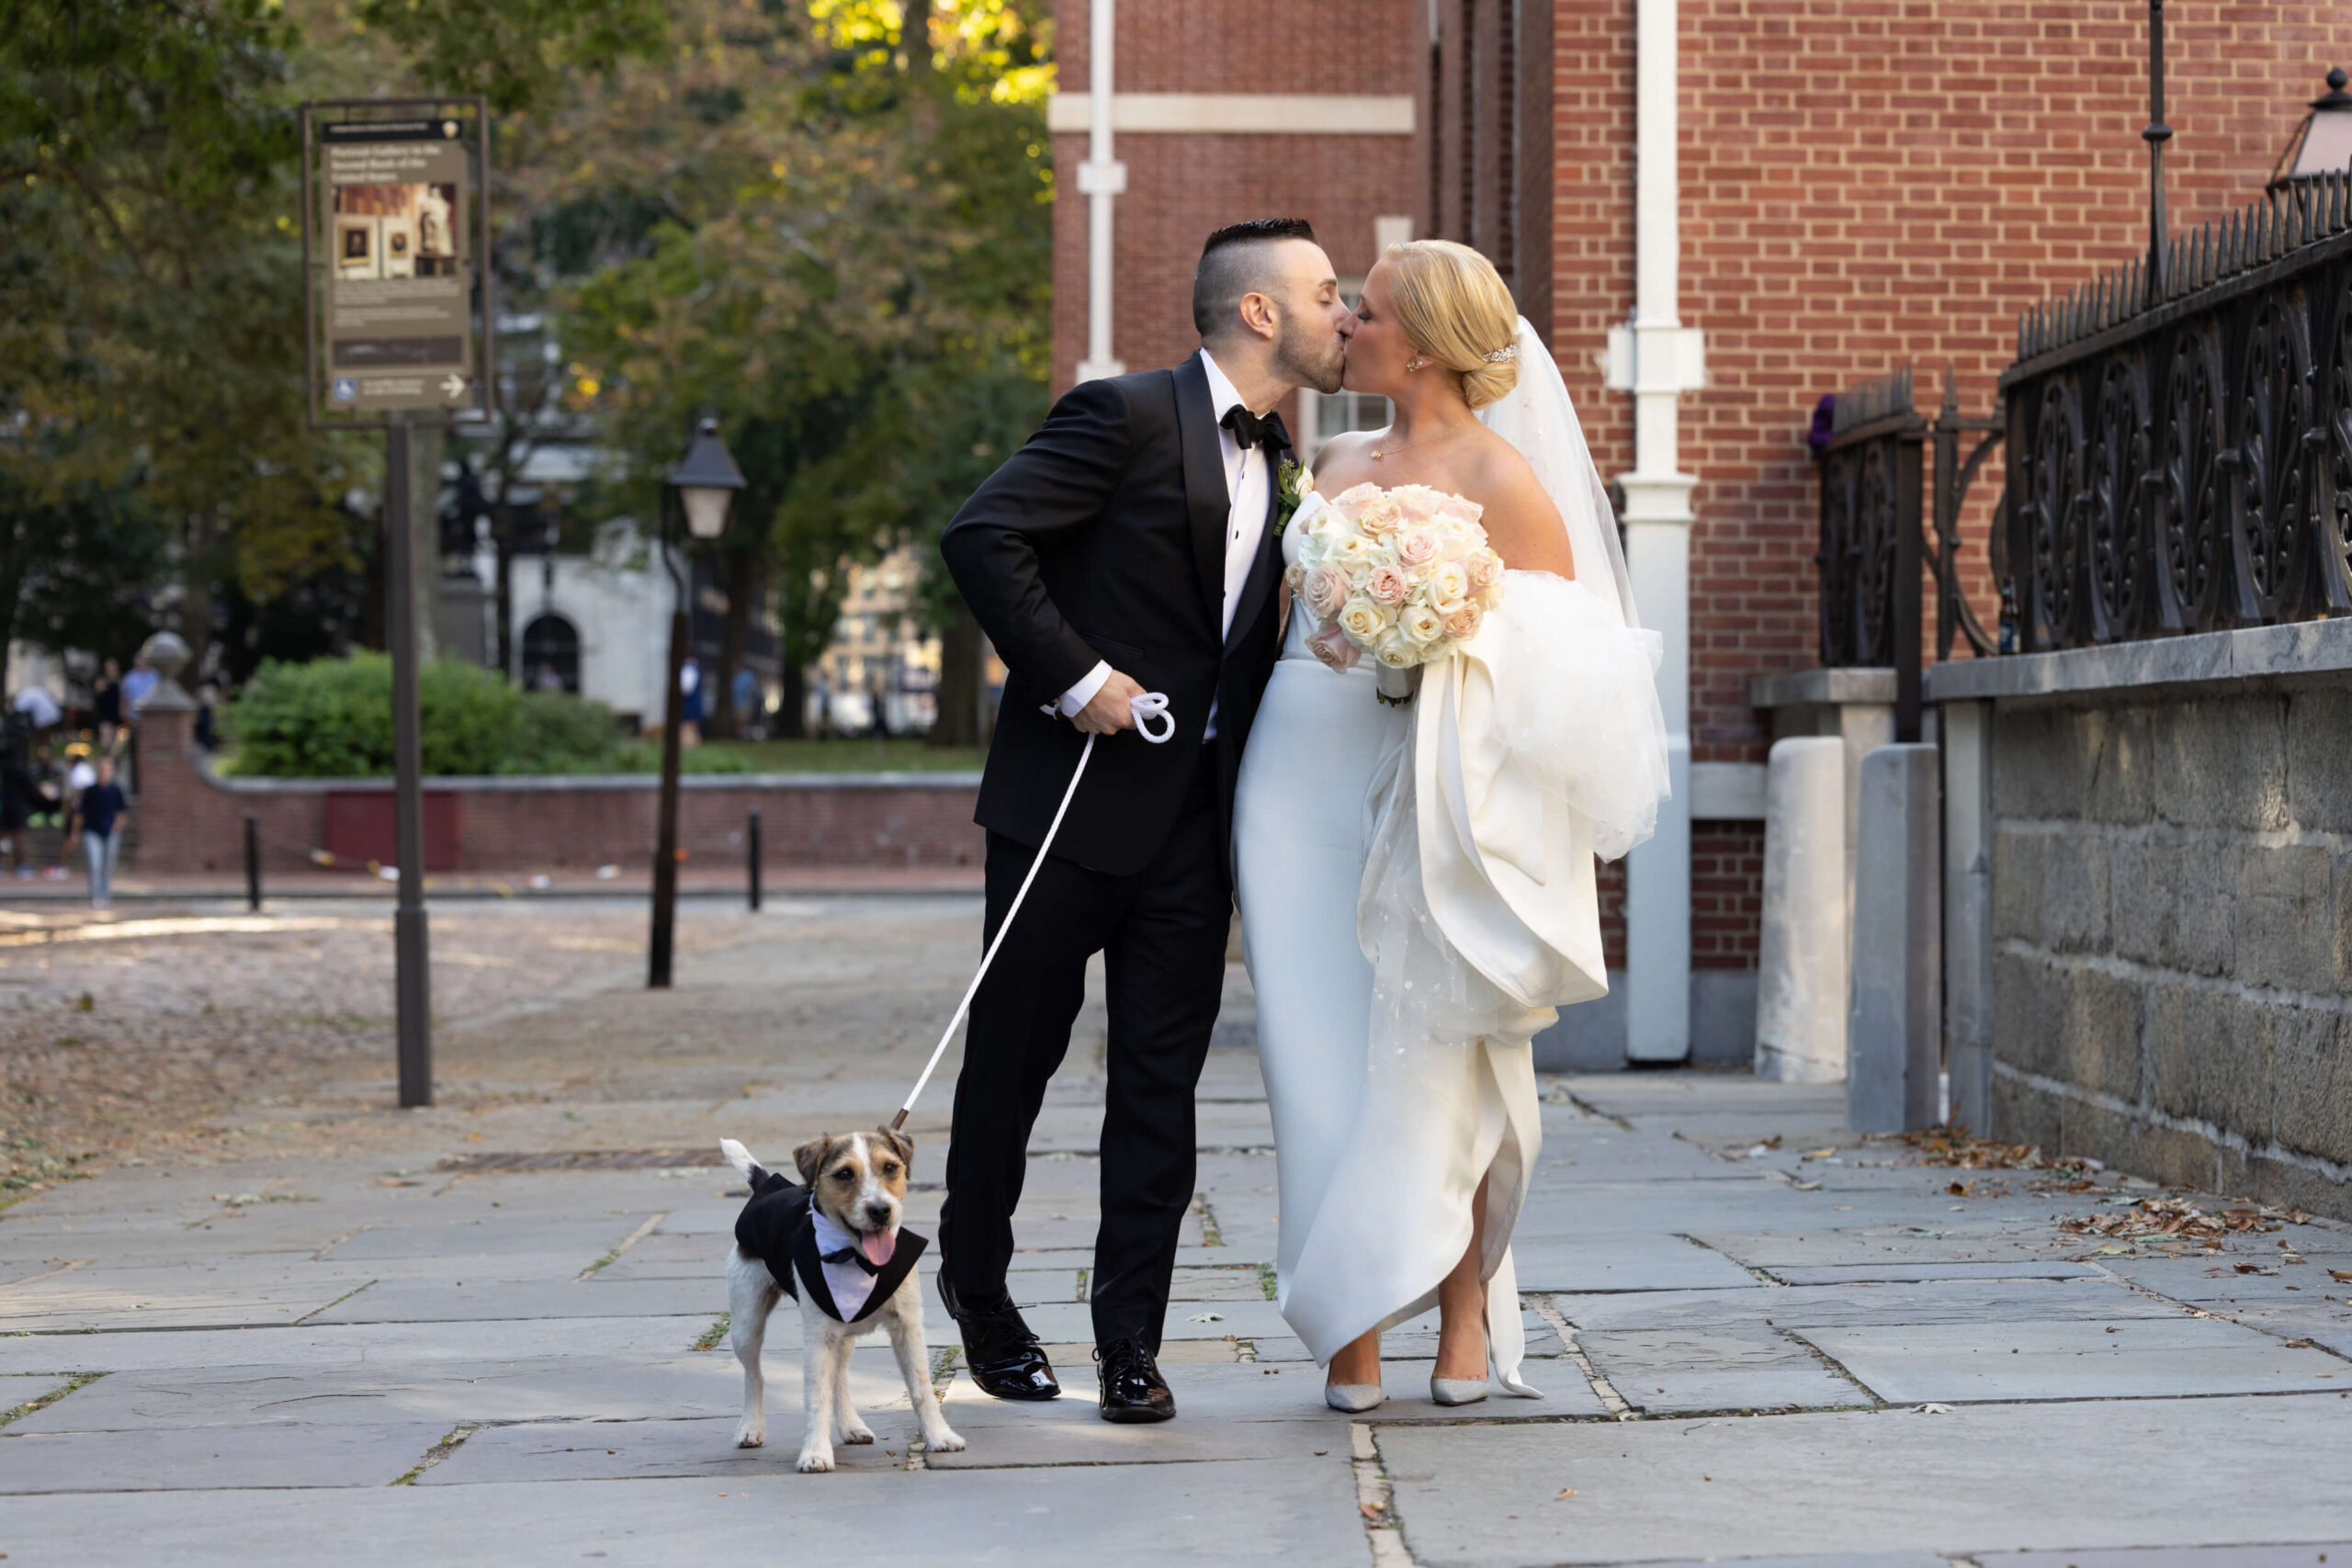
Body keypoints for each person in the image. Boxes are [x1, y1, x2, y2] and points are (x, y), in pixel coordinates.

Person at [1235, 240, 1668, 1412]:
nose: (1345, 329)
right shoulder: (1327, 456)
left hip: (1433, 774)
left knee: (1444, 1047)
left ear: (1418, 344)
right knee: (1313, 1060)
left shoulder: (1506, 481)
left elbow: (1568, 671)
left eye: (1363, 313)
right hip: (1298, 768)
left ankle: (1465, 1305)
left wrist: (1428, 636)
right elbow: (1278, 617)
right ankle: (1351, 1323)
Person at [936, 218, 1351, 1424]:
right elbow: (983, 534)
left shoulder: (1290, 461)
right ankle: (981, 1286)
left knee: (1159, 1089)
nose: (1346, 310)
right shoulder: (1115, 417)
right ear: (1262, 313)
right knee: (1012, 1062)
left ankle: (1131, 1343)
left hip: (1194, 828)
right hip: (1061, 807)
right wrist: (1077, 676)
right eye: (1327, 292)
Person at [69, 755, 130, 909]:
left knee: (108, 865)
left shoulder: (116, 790)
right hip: (91, 831)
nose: (105, 772)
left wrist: (115, 828)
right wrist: (74, 833)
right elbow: (79, 813)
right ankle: (95, 895)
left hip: (110, 833)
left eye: (108, 769)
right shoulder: (90, 791)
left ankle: (105, 894)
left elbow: (122, 812)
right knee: (95, 863)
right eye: (102, 769)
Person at [93, 660, 123, 749]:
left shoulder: (119, 681)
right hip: (105, 715)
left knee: (115, 742)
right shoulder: (102, 681)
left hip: (117, 715)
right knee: (106, 739)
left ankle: (112, 759)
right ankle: (106, 758)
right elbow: (98, 695)